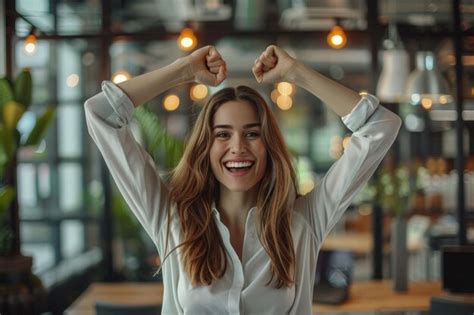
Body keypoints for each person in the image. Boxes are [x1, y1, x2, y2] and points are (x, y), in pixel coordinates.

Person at [84, 45, 401, 314]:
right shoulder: (171, 220)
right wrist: (182, 70)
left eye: (252, 134)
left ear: (269, 147)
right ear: (206, 148)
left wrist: (296, 73)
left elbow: (380, 127)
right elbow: (101, 114)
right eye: (223, 134)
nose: (238, 147)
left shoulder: (303, 223)